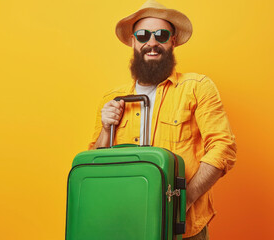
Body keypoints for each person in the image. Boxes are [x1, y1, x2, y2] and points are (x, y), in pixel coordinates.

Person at [88, 1, 237, 239]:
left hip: (184, 228)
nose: (152, 43)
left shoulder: (197, 88)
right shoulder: (111, 99)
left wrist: (183, 201)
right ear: (132, 41)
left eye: (162, 35)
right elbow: (94, 167)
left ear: (173, 41)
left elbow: (223, 148)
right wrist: (107, 129)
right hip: (126, 221)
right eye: (143, 35)